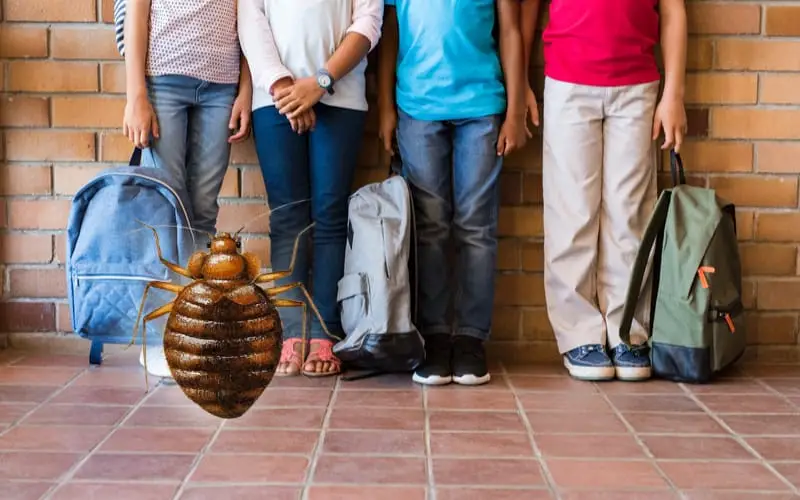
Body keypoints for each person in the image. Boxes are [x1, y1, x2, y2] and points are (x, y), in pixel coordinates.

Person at [520, 0, 688, 381]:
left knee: (630, 214)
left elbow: (674, 10)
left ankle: (627, 329)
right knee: (572, 212)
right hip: (568, 83)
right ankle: (578, 332)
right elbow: (528, 8)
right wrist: (522, 85)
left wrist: (673, 94)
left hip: (637, 86)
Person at [378, 0, 528, 386]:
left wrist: (514, 113)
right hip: (417, 108)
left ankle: (471, 339)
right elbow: (389, 34)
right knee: (430, 229)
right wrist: (385, 108)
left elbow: (510, 30)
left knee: (477, 227)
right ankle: (435, 336)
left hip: (481, 109)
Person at [237, 0, 383, 377]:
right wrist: (284, 86)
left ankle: (324, 332)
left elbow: (368, 22)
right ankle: (290, 332)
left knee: (331, 218)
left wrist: (319, 83)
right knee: (287, 218)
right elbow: (251, 18)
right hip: (273, 99)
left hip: (341, 96)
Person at [122, 0, 253, 378]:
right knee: (166, 212)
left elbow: (247, 18)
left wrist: (245, 91)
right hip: (162, 82)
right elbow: (136, 14)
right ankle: (161, 335)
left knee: (203, 212)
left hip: (221, 88)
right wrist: (136, 96)